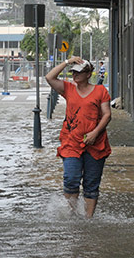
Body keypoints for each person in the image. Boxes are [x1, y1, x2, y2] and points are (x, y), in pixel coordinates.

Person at [45, 55, 112, 217]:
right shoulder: (68, 89)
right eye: (73, 72)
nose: (75, 75)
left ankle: (88, 219)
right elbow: (49, 77)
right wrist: (68, 62)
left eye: (79, 73)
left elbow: (107, 115)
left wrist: (95, 133)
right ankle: (72, 214)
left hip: (95, 143)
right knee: (71, 178)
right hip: (71, 141)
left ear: (88, 74)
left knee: (91, 183)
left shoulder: (100, 91)